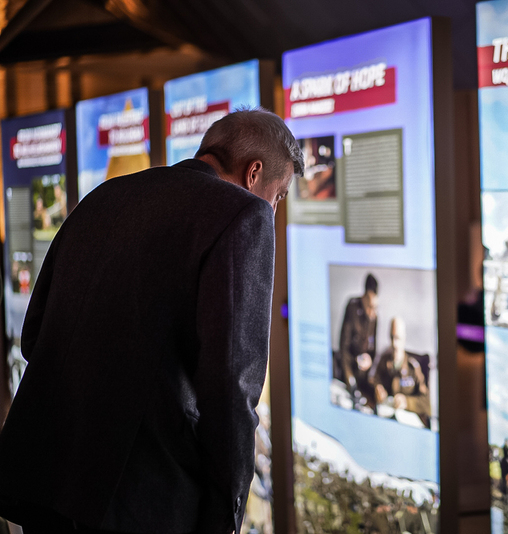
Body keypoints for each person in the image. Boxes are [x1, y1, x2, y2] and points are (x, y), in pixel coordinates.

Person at [0, 108, 303, 534]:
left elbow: (34, 335)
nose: (272, 208)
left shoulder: (105, 197)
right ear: (254, 173)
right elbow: (231, 386)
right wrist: (227, 514)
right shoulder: (242, 215)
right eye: (279, 195)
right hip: (143, 500)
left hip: (47, 479)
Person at [369, 317, 430, 426]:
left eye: (398, 338)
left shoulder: (413, 367)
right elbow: (374, 379)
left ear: (404, 339)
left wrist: (407, 402)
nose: (395, 344)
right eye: (392, 338)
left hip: (406, 423)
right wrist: (377, 388)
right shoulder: (384, 360)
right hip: (385, 420)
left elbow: (426, 403)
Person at [338, 273, 379, 404]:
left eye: (376, 307)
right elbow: (343, 348)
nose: (373, 312)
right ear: (364, 297)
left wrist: (370, 360)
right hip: (349, 369)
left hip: (365, 374)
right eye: (370, 307)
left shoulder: (375, 316)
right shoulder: (352, 307)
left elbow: (374, 348)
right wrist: (351, 381)